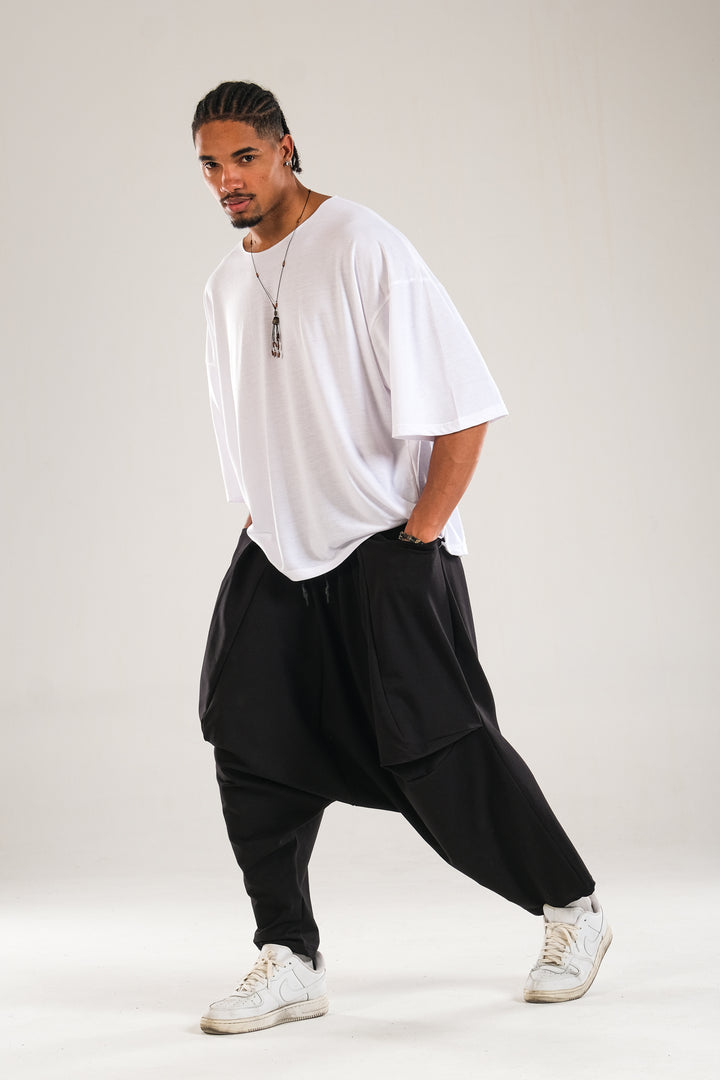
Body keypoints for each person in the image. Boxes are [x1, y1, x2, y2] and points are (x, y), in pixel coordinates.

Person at [191, 80, 611, 1036]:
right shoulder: (223, 284)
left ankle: (572, 907)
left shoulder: (364, 245)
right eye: (211, 166)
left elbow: (464, 408)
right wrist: (265, 520)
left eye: (244, 157)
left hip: (385, 541)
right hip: (280, 550)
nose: (228, 180)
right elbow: (252, 427)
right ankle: (290, 955)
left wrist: (418, 536)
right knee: (247, 734)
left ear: (286, 148)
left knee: (435, 746)